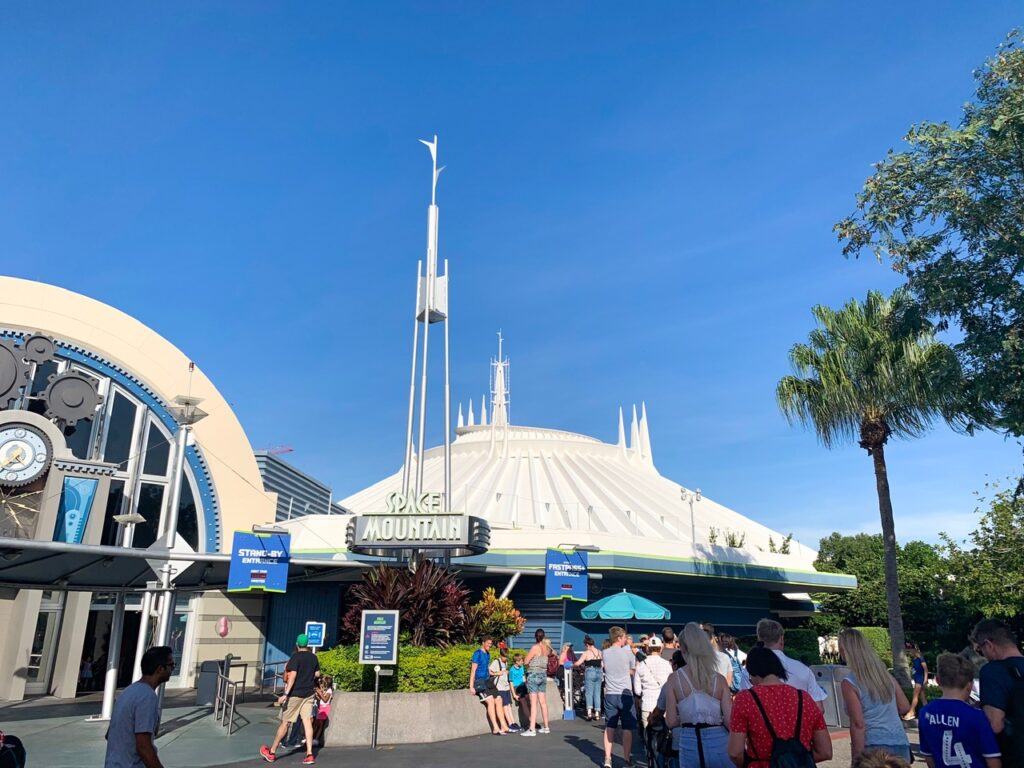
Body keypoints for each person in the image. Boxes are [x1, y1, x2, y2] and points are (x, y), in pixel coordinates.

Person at [728, 646, 832, 768]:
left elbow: (735, 753)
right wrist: (793, 760)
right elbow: (825, 752)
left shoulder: (745, 699)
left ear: (752, 672)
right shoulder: (804, 698)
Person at [663, 622, 733, 768]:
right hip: (718, 739)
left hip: (689, 741)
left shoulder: (674, 679)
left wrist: (688, 715)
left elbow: (670, 721)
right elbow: (729, 721)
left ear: (681, 648)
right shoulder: (719, 679)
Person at [838, 628, 912, 762]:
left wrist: (857, 759)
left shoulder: (850, 683)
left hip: (874, 745)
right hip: (900, 742)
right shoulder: (885, 676)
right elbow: (904, 707)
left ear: (845, 651)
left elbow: (858, 724)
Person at [918, 653, 1001, 768]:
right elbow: (992, 759)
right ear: (970, 685)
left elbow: (928, 757)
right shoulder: (977, 716)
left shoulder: (925, 713)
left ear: (938, 680)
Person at [104, 645, 173, 768]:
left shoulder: (129, 691)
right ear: (160, 668)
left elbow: (109, 734)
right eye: (171, 665)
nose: (172, 669)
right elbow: (143, 746)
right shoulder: (147, 697)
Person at [261, 633, 321, 764]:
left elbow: (292, 677)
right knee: (307, 722)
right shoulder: (313, 657)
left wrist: (285, 694)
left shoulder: (295, 657)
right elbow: (317, 674)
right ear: (308, 644)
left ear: (297, 644)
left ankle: (272, 752)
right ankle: (310, 754)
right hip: (309, 694)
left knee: (285, 723)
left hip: (295, 694)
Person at [971, 619, 1024, 764]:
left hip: (1014, 756)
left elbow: (994, 723)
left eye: (980, 650)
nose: (983, 656)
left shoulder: (993, 671)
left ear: (988, 644)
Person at [755, 618, 828, 711]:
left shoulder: (751, 672)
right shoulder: (803, 669)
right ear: (781, 639)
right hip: (799, 723)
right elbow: (819, 708)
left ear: (759, 639)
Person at [602, 625, 638, 768]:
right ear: (619, 638)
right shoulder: (628, 654)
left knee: (609, 726)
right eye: (624, 637)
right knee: (627, 728)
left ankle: (607, 758)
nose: (625, 640)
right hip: (625, 693)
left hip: (610, 693)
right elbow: (633, 670)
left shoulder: (604, 652)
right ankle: (626, 759)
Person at [471, 636, 509, 736]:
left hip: (488, 681)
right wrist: (471, 686)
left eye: (491, 644)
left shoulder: (487, 654)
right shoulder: (477, 654)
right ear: (483, 643)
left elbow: (488, 669)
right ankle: (495, 728)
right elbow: (473, 670)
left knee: (499, 699)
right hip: (479, 682)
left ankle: (503, 725)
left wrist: (498, 673)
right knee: (491, 700)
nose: (489, 645)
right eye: (488, 643)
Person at [635, 636, 672, 731]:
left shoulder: (641, 665)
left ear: (648, 648)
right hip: (663, 705)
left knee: (647, 734)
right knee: (664, 736)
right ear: (661, 648)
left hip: (647, 703)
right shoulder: (667, 664)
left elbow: (637, 690)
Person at [522, 628, 552, 736]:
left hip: (534, 674)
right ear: (543, 637)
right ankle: (546, 727)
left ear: (535, 636)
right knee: (543, 702)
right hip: (543, 674)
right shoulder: (546, 648)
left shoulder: (534, 648)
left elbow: (526, 661)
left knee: (533, 703)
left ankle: (532, 729)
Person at [491, 642, 520, 732]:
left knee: (508, 705)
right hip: (499, 687)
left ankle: (513, 722)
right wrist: (497, 673)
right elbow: (490, 672)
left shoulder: (506, 662)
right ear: (501, 655)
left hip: (506, 686)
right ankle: (509, 724)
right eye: (504, 657)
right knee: (504, 706)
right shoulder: (496, 662)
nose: (505, 658)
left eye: (506, 657)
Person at [574, 635, 604, 721]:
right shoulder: (599, 652)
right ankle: (598, 713)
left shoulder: (586, 653)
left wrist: (572, 664)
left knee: (589, 693)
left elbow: (578, 663)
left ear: (587, 644)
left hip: (590, 671)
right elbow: (602, 664)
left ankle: (590, 713)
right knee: (597, 693)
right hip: (599, 672)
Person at [701, 623, 735, 691]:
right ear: (712, 640)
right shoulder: (725, 657)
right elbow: (729, 681)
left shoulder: (696, 659)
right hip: (721, 695)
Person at [904, 644, 930, 721]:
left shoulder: (920, 658)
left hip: (920, 679)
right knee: (922, 698)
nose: (909, 652)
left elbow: (926, 670)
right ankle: (928, 713)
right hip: (917, 678)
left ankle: (912, 712)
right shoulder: (914, 659)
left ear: (915, 649)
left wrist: (925, 680)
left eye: (910, 650)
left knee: (915, 695)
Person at [311, 675, 333, 748]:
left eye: (323, 682)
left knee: (320, 724)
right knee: (316, 723)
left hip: (325, 708)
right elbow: (321, 699)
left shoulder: (329, 691)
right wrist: (317, 695)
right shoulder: (326, 690)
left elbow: (325, 700)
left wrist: (320, 693)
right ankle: (312, 738)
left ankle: (316, 739)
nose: (321, 684)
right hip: (321, 707)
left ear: (326, 683)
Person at [509, 651, 529, 726]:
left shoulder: (522, 667)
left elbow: (523, 677)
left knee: (529, 702)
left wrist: (526, 686)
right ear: (517, 662)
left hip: (523, 686)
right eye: (521, 661)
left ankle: (532, 721)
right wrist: (514, 694)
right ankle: (529, 722)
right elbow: (511, 682)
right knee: (523, 704)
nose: (523, 662)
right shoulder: (511, 670)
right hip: (517, 688)